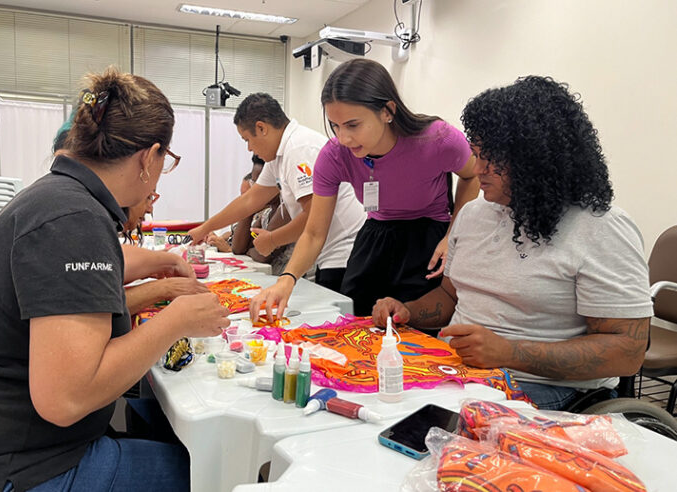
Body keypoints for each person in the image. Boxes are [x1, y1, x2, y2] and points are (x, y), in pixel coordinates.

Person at [0, 67, 230, 492]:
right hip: (16, 468)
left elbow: (87, 275)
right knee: (213, 470)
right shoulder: (72, 219)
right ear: (148, 157)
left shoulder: (60, 200)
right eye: (167, 161)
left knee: (156, 418)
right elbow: (66, 400)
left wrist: (159, 268)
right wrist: (176, 319)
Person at [372, 76, 653, 410]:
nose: (477, 170)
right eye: (476, 154)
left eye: (491, 159)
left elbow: (627, 352)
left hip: (548, 389)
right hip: (460, 371)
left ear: (536, 159)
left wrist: (509, 352)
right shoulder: (474, 214)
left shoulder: (600, 228)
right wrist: (408, 311)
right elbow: (451, 296)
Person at [251, 59, 479, 319]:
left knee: (412, 324)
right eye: (335, 126)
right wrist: (286, 280)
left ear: (387, 110)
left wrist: (453, 234)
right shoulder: (335, 155)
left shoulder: (437, 139)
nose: (344, 138)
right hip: (376, 234)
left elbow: (472, 176)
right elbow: (314, 233)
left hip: (428, 235)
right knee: (356, 317)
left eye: (353, 125)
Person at [188, 93, 366, 292]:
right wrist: (205, 228)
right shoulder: (278, 157)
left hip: (344, 254)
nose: (249, 148)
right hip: (328, 254)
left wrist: (273, 240)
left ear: (261, 128)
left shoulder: (299, 148)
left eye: (247, 139)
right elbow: (250, 200)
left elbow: (312, 215)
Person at [54, 128, 208, 316]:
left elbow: (113, 259)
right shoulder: (81, 213)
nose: (149, 207)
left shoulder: (69, 199)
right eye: (149, 195)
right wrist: (165, 290)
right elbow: (93, 307)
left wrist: (169, 262)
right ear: (146, 159)